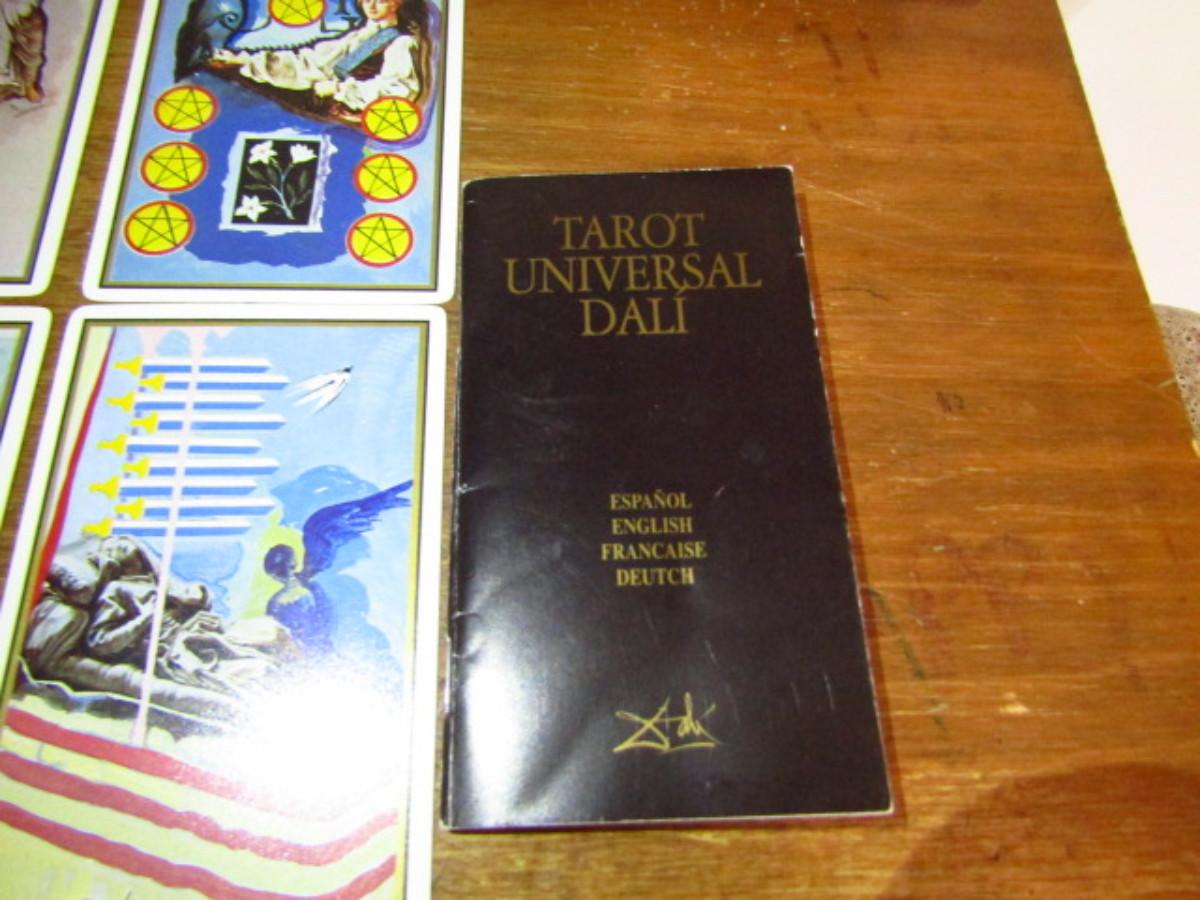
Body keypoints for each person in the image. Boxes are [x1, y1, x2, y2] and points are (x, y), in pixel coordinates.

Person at [207, 0, 429, 119]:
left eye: (380, 0)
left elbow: (398, 91)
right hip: (323, 100)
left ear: (397, 3)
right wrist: (245, 62)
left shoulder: (400, 42)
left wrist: (338, 89)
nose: (371, 5)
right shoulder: (360, 36)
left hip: (349, 115)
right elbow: (312, 63)